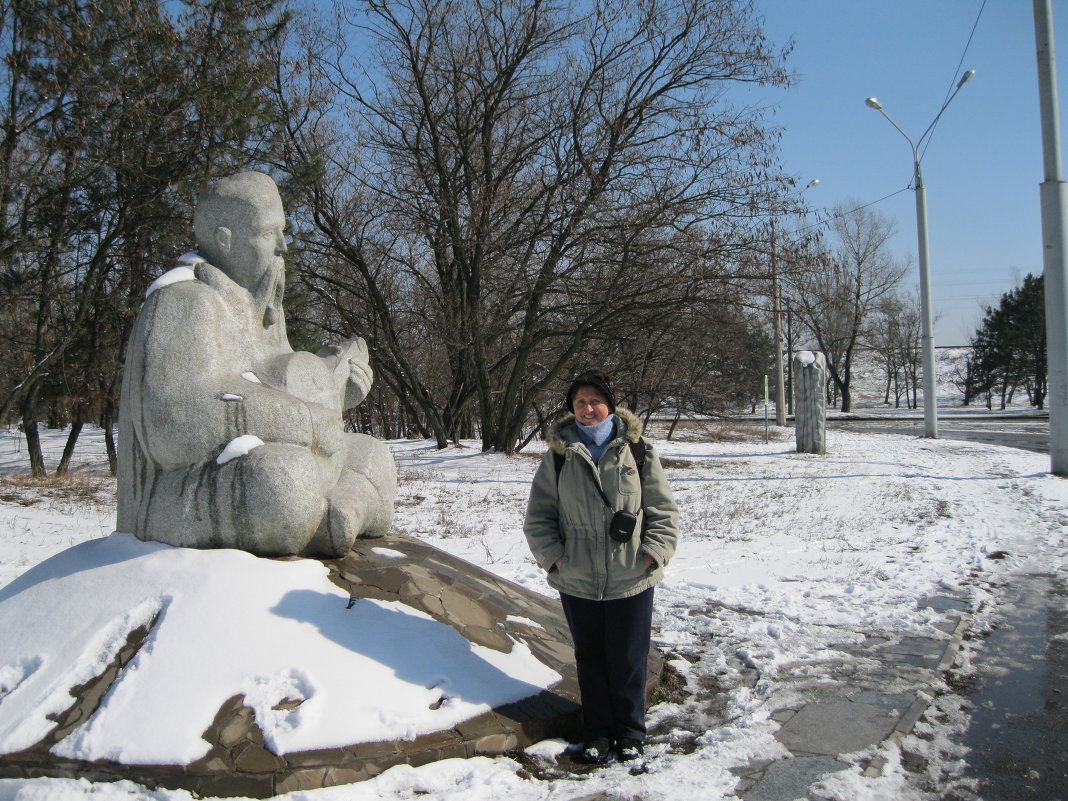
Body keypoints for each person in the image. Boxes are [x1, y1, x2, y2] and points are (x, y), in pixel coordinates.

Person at [117, 171, 395, 557]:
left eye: (283, 231)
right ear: (225, 239)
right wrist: (309, 421)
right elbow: (173, 427)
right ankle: (321, 514)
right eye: (269, 233)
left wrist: (335, 394)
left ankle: (339, 515)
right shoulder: (185, 299)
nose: (283, 246)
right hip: (178, 495)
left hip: (271, 459)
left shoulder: (263, 307)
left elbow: (276, 381)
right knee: (285, 483)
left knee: (371, 454)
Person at [524, 370, 679, 764]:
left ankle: (630, 733)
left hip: (632, 575)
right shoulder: (558, 456)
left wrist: (653, 552)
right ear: (571, 409)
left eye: (595, 401)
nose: (588, 409)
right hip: (577, 578)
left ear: (610, 404)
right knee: (590, 660)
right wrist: (555, 557)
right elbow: (539, 518)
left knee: (627, 659)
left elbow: (662, 510)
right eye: (580, 403)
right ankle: (596, 732)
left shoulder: (638, 451)